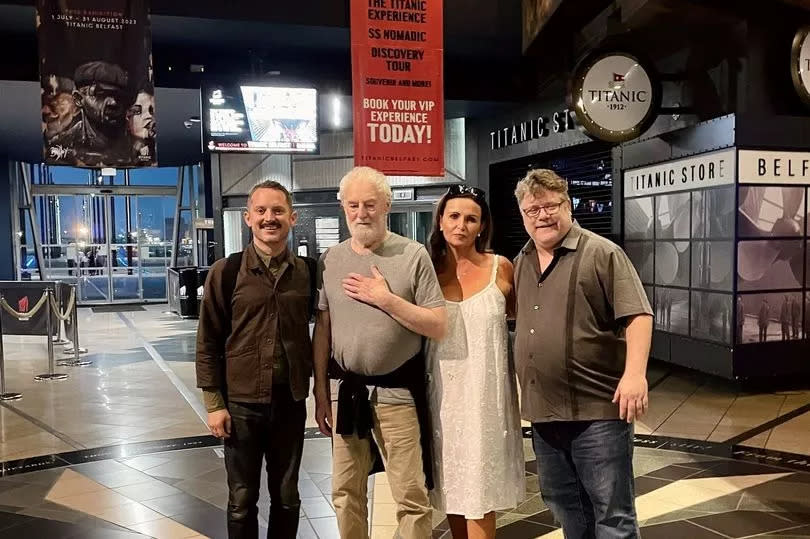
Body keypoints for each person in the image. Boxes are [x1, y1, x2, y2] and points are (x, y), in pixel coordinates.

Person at [512, 169, 653, 539]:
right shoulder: (521, 262)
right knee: (565, 506)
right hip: (544, 414)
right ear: (523, 215)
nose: (543, 215)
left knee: (613, 515)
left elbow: (638, 315)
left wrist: (635, 374)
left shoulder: (602, 253)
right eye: (532, 209)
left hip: (598, 412)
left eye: (551, 205)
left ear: (568, 204)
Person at [312, 166, 447, 539]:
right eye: (352, 205)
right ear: (343, 207)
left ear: (386, 205)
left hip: (398, 396)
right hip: (347, 393)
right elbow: (323, 328)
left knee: (411, 496)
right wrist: (321, 392)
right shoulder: (330, 260)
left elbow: (438, 324)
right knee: (345, 492)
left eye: (369, 204)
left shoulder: (412, 254)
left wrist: (386, 300)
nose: (361, 213)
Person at [196, 180, 314, 538]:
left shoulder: (308, 271)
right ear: (248, 218)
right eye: (261, 211)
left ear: (292, 218)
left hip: (290, 402)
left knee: (287, 497)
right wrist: (214, 402)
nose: (269, 218)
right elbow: (208, 340)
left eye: (278, 211)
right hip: (242, 404)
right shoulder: (226, 272)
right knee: (242, 498)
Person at [425, 185, 524, 538]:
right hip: (442, 397)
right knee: (452, 484)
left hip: (486, 396)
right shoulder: (426, 271)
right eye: (454, 216)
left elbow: (521, 321)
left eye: (471, 218)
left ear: (482, 226)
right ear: (440, 220)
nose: (461, 225)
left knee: (480, 491)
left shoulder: (503, 268)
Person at [49, 61, 135, 166]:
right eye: (101, 94)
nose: (113, 102)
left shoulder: (136, 145)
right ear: (78, 99)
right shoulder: (61, 145)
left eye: (118, 96)